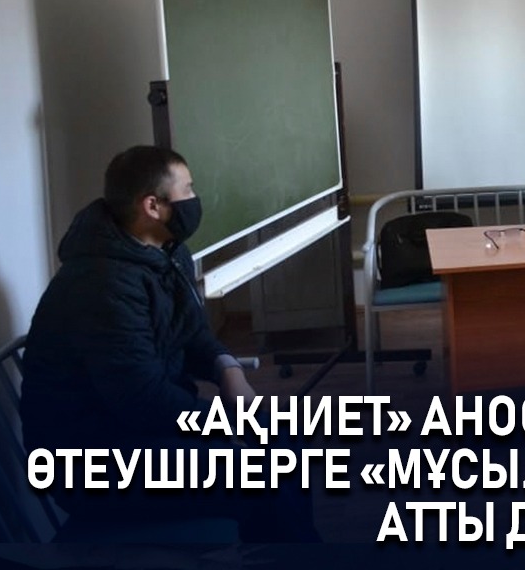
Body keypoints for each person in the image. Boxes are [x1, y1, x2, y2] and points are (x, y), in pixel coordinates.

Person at [20, 145, 318, 542]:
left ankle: (297, 550)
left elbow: (190, 332)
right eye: (187, 189)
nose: (195, 199)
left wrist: (228, 370)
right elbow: (142, 400)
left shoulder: (166, 251)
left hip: (141, 431)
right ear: (153, 206)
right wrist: (224, 426)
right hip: (93, 461)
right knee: (260, 472)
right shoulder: (103, 284)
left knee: (281, 436)